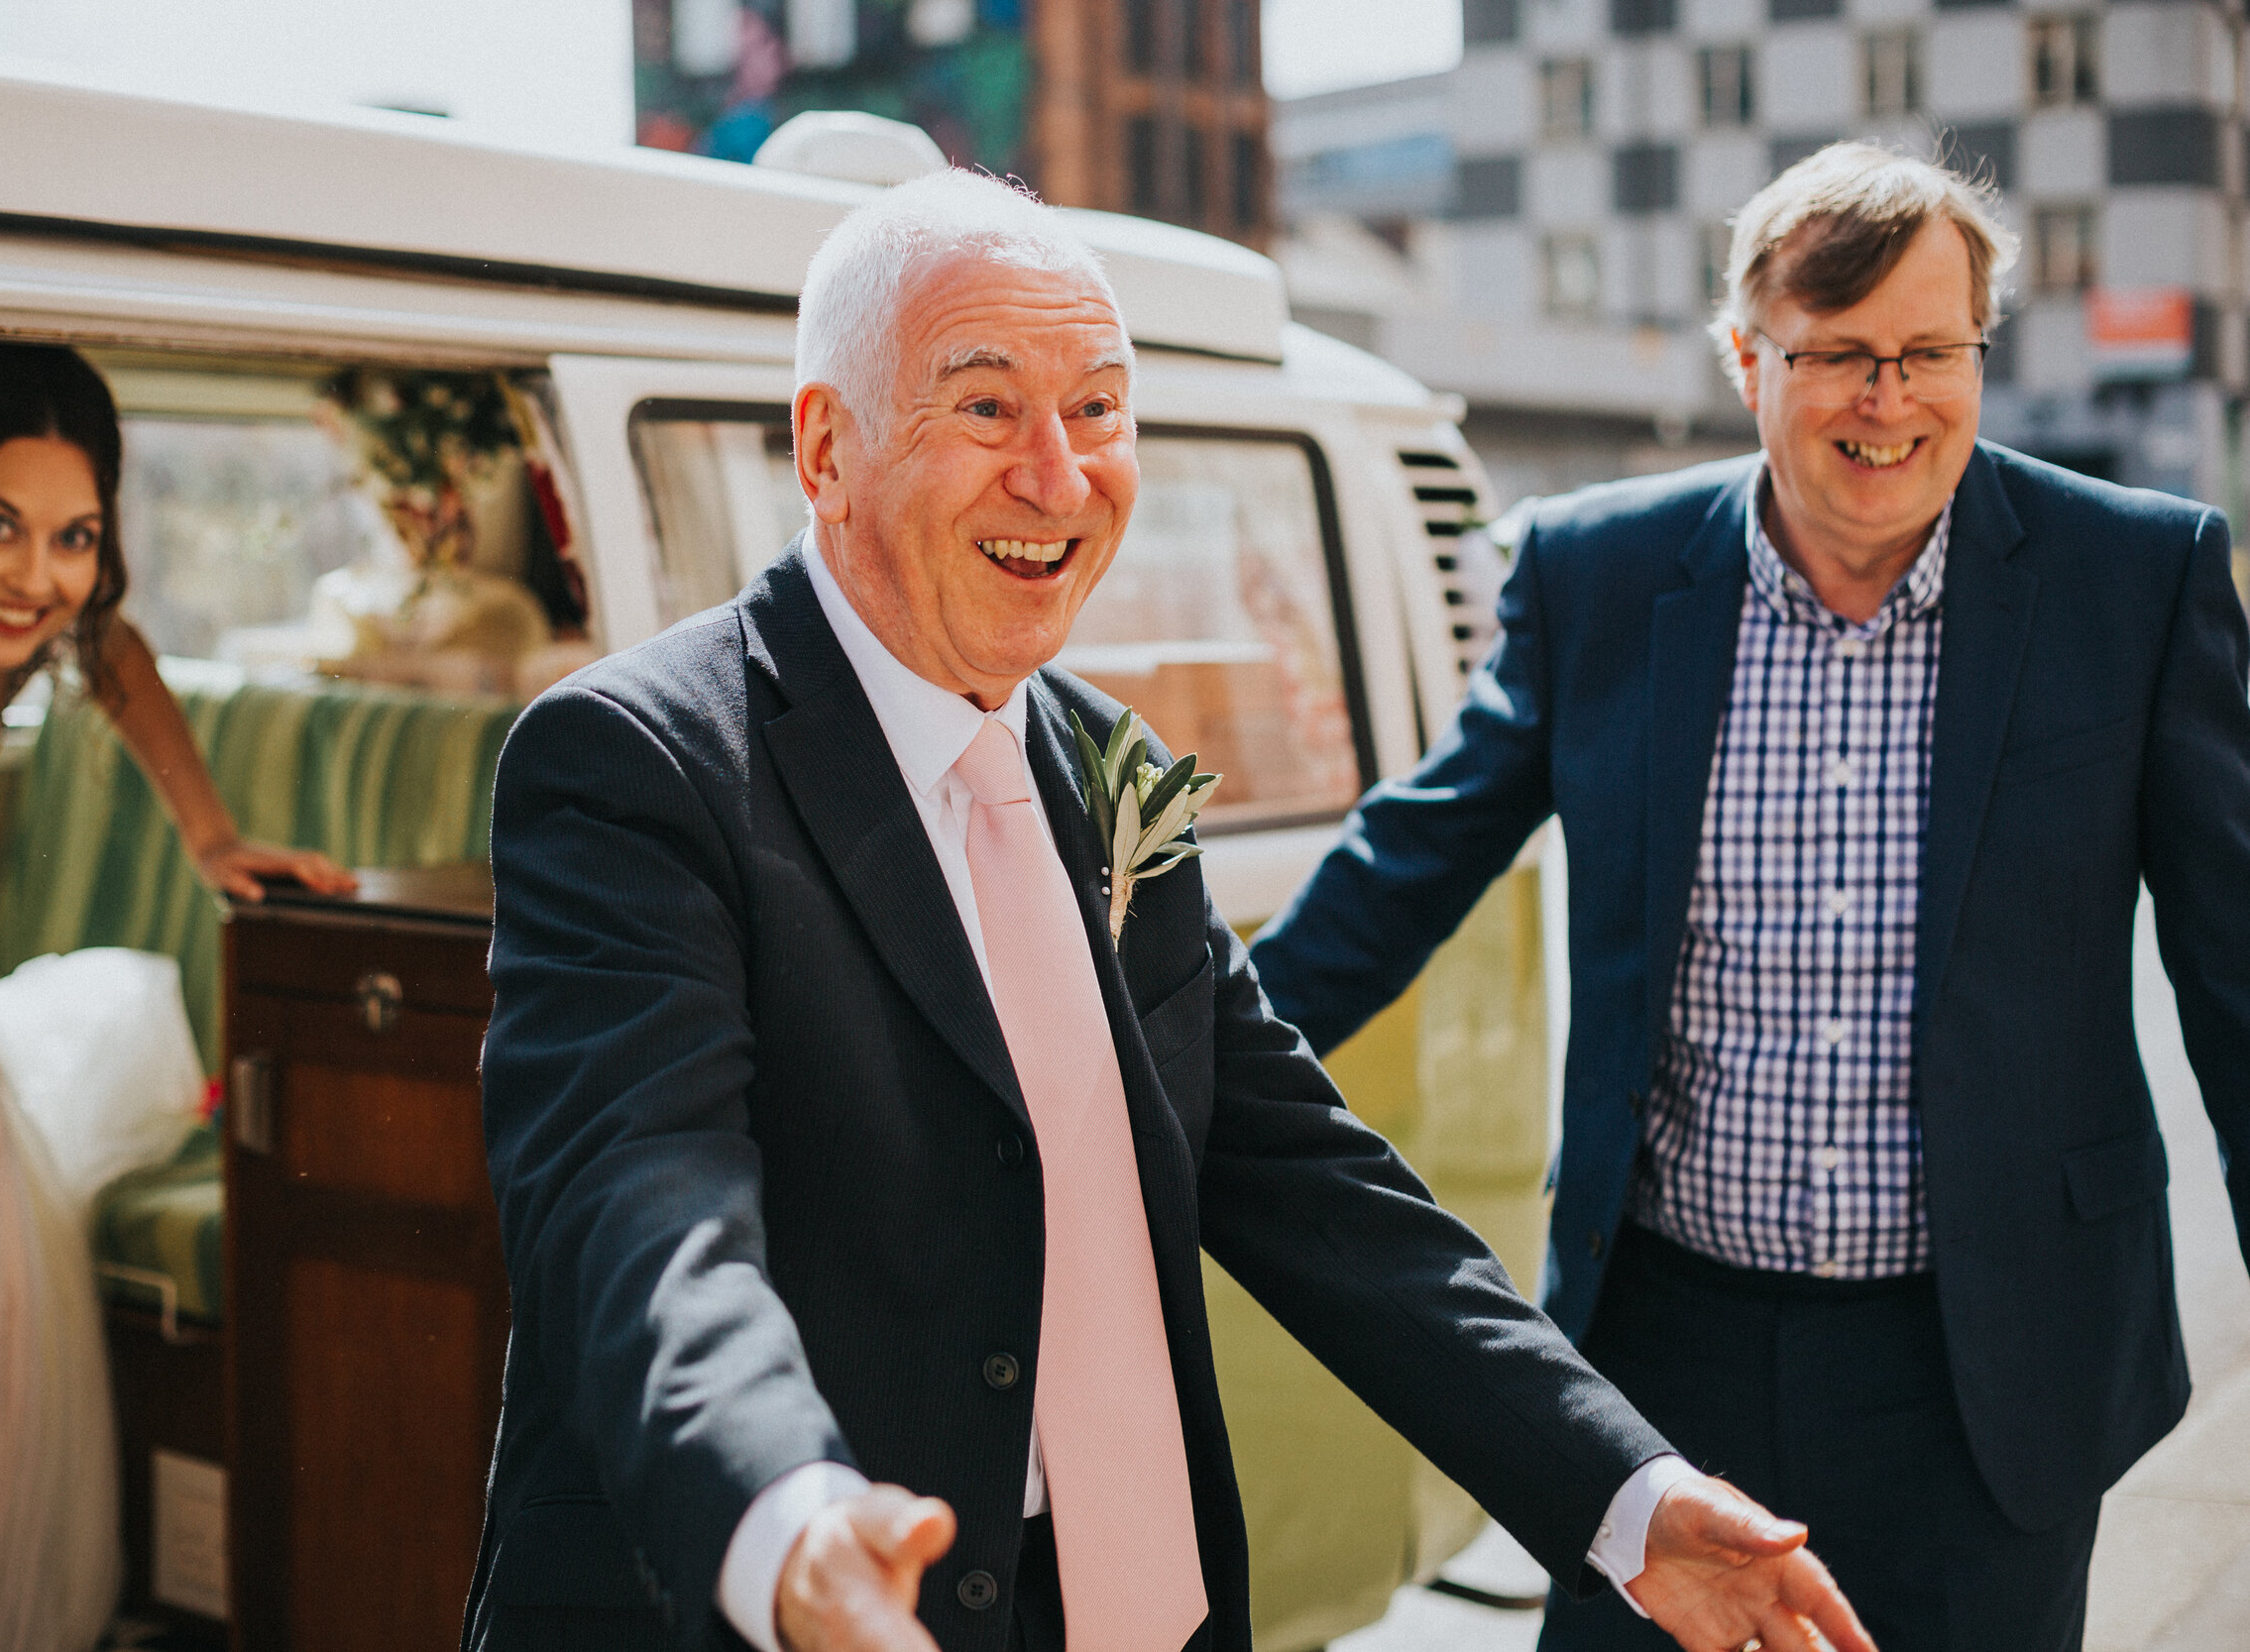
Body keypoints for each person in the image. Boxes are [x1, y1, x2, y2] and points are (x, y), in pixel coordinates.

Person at [468, 170, 1873, 1652]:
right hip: (780, 1604)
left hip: (1124, 1600)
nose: (1061, 478)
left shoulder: (1107, 765)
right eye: (990, 409)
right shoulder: (636, 765)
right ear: (829, 447)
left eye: (1099, 411)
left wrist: (1627, 1496)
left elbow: (1309, 1180)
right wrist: (790, 1519)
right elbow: (640, 1214)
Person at [1247, 144, 2250, 1652]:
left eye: (1927, 353)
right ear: (1745, 356)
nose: (1886, 400)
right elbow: (1409, 862)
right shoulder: (1598, 574)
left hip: (1990, 1353)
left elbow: (2235, 975)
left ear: (1978, 348)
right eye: (1835, 355)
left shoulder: (2135, 578)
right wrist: (1171, 1074)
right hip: (1661, 1356)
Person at [0, 339, 352, 1652]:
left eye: (75, 535)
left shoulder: (61, 605)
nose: (40, 576)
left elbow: (121, 660)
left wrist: (213, 843)